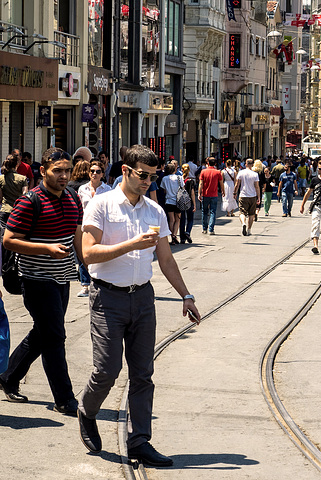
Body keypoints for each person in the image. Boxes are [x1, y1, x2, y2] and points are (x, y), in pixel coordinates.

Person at [77, 144, 201, 466]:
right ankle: (87, 409)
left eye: (152, 176)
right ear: (126, 171)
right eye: (142, 175)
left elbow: (166, 259)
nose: (147, 181)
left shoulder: (154, 211)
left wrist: (186, 295)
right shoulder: (101, 205)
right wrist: (131, 244)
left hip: (143, 297)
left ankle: (140, 441)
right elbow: (88, 254)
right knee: (107, 370)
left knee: (143, 373)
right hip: (108, 297)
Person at [0, 148, 82, 414]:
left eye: (67, 170)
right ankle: (64, 398)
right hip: (35, 278)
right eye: (57, 170)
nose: (63, 175)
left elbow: (76, 234)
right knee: (55, 336)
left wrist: (87, 264)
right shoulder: (30, 201)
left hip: (63, 278)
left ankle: (8, 376)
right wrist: (47, 249)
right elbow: (9, 240)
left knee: (44, 332)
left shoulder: (72, 197)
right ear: (43, 170)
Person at [77, 161, 111, 297]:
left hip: (101, 226)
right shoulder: (82, 189)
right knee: (83, 254)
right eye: (92, 171)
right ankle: (85, 285)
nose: (94, 174)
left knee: (98, 253)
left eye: (97, 171)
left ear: (102, 174)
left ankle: (99, 280)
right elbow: (80, 207)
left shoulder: (107, 190)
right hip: (85, 225)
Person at [0, 154, 28, 232]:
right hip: (18, 211)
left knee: (3, 236)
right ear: (17, 164)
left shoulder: (1, 178)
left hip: (5, 210)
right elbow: (25, 195)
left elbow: (0, 197)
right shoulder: (22, 178)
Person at [198, 156, 224, 235]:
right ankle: (211, 229)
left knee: (204, 211)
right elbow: (221, 183)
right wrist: (223, 191)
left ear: (208, 163)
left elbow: (201, 183)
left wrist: (199, 193)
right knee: (213, 212)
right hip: (214, 194)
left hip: (205, 194)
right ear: (215, 164)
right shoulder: (218, 172)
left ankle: (204, 228)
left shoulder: (203, 171)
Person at [235, 158, 260, 236]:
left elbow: (237, 184)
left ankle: (243, 223)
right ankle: (249, 230)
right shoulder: (255, 174)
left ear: (246, 164)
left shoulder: (241, 173)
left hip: (243, 195)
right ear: (252, 165)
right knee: (251, 214)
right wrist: (258, 197)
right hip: (252, 196)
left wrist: (234, 192)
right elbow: (257, 186)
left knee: (242, 212)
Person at [160, 162, 184, 245]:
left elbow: (164, 190)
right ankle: (174, 235)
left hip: (169, 201)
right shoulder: (179, 177)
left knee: (171, 220)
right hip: (178, 201)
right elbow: (183, 188)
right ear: (175, 169)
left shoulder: (164, 179)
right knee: (177, 220)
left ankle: (172, 237)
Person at [179, 164, 197, 243]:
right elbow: (192, 193)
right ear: (189, 170)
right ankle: (187, 232)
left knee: (182, 220)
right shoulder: (191, 181)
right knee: (190, 219)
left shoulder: (179, 180)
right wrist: (194, 204)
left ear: (182, 170)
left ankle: (182, 238)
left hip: (181, 202)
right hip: (189, 201)